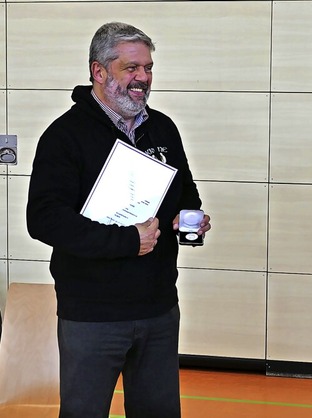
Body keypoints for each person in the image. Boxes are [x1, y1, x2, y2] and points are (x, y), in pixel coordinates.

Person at [26, 22, 210, 418]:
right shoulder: (64, 136)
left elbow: (185, 192)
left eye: (148, 67)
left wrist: (186, 217)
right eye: (131, 68)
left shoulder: (163, 128)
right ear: (99, 71)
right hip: (92, 314)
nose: (143, 78)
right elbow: (44, 219)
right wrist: (128, 240)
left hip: (158, 309)